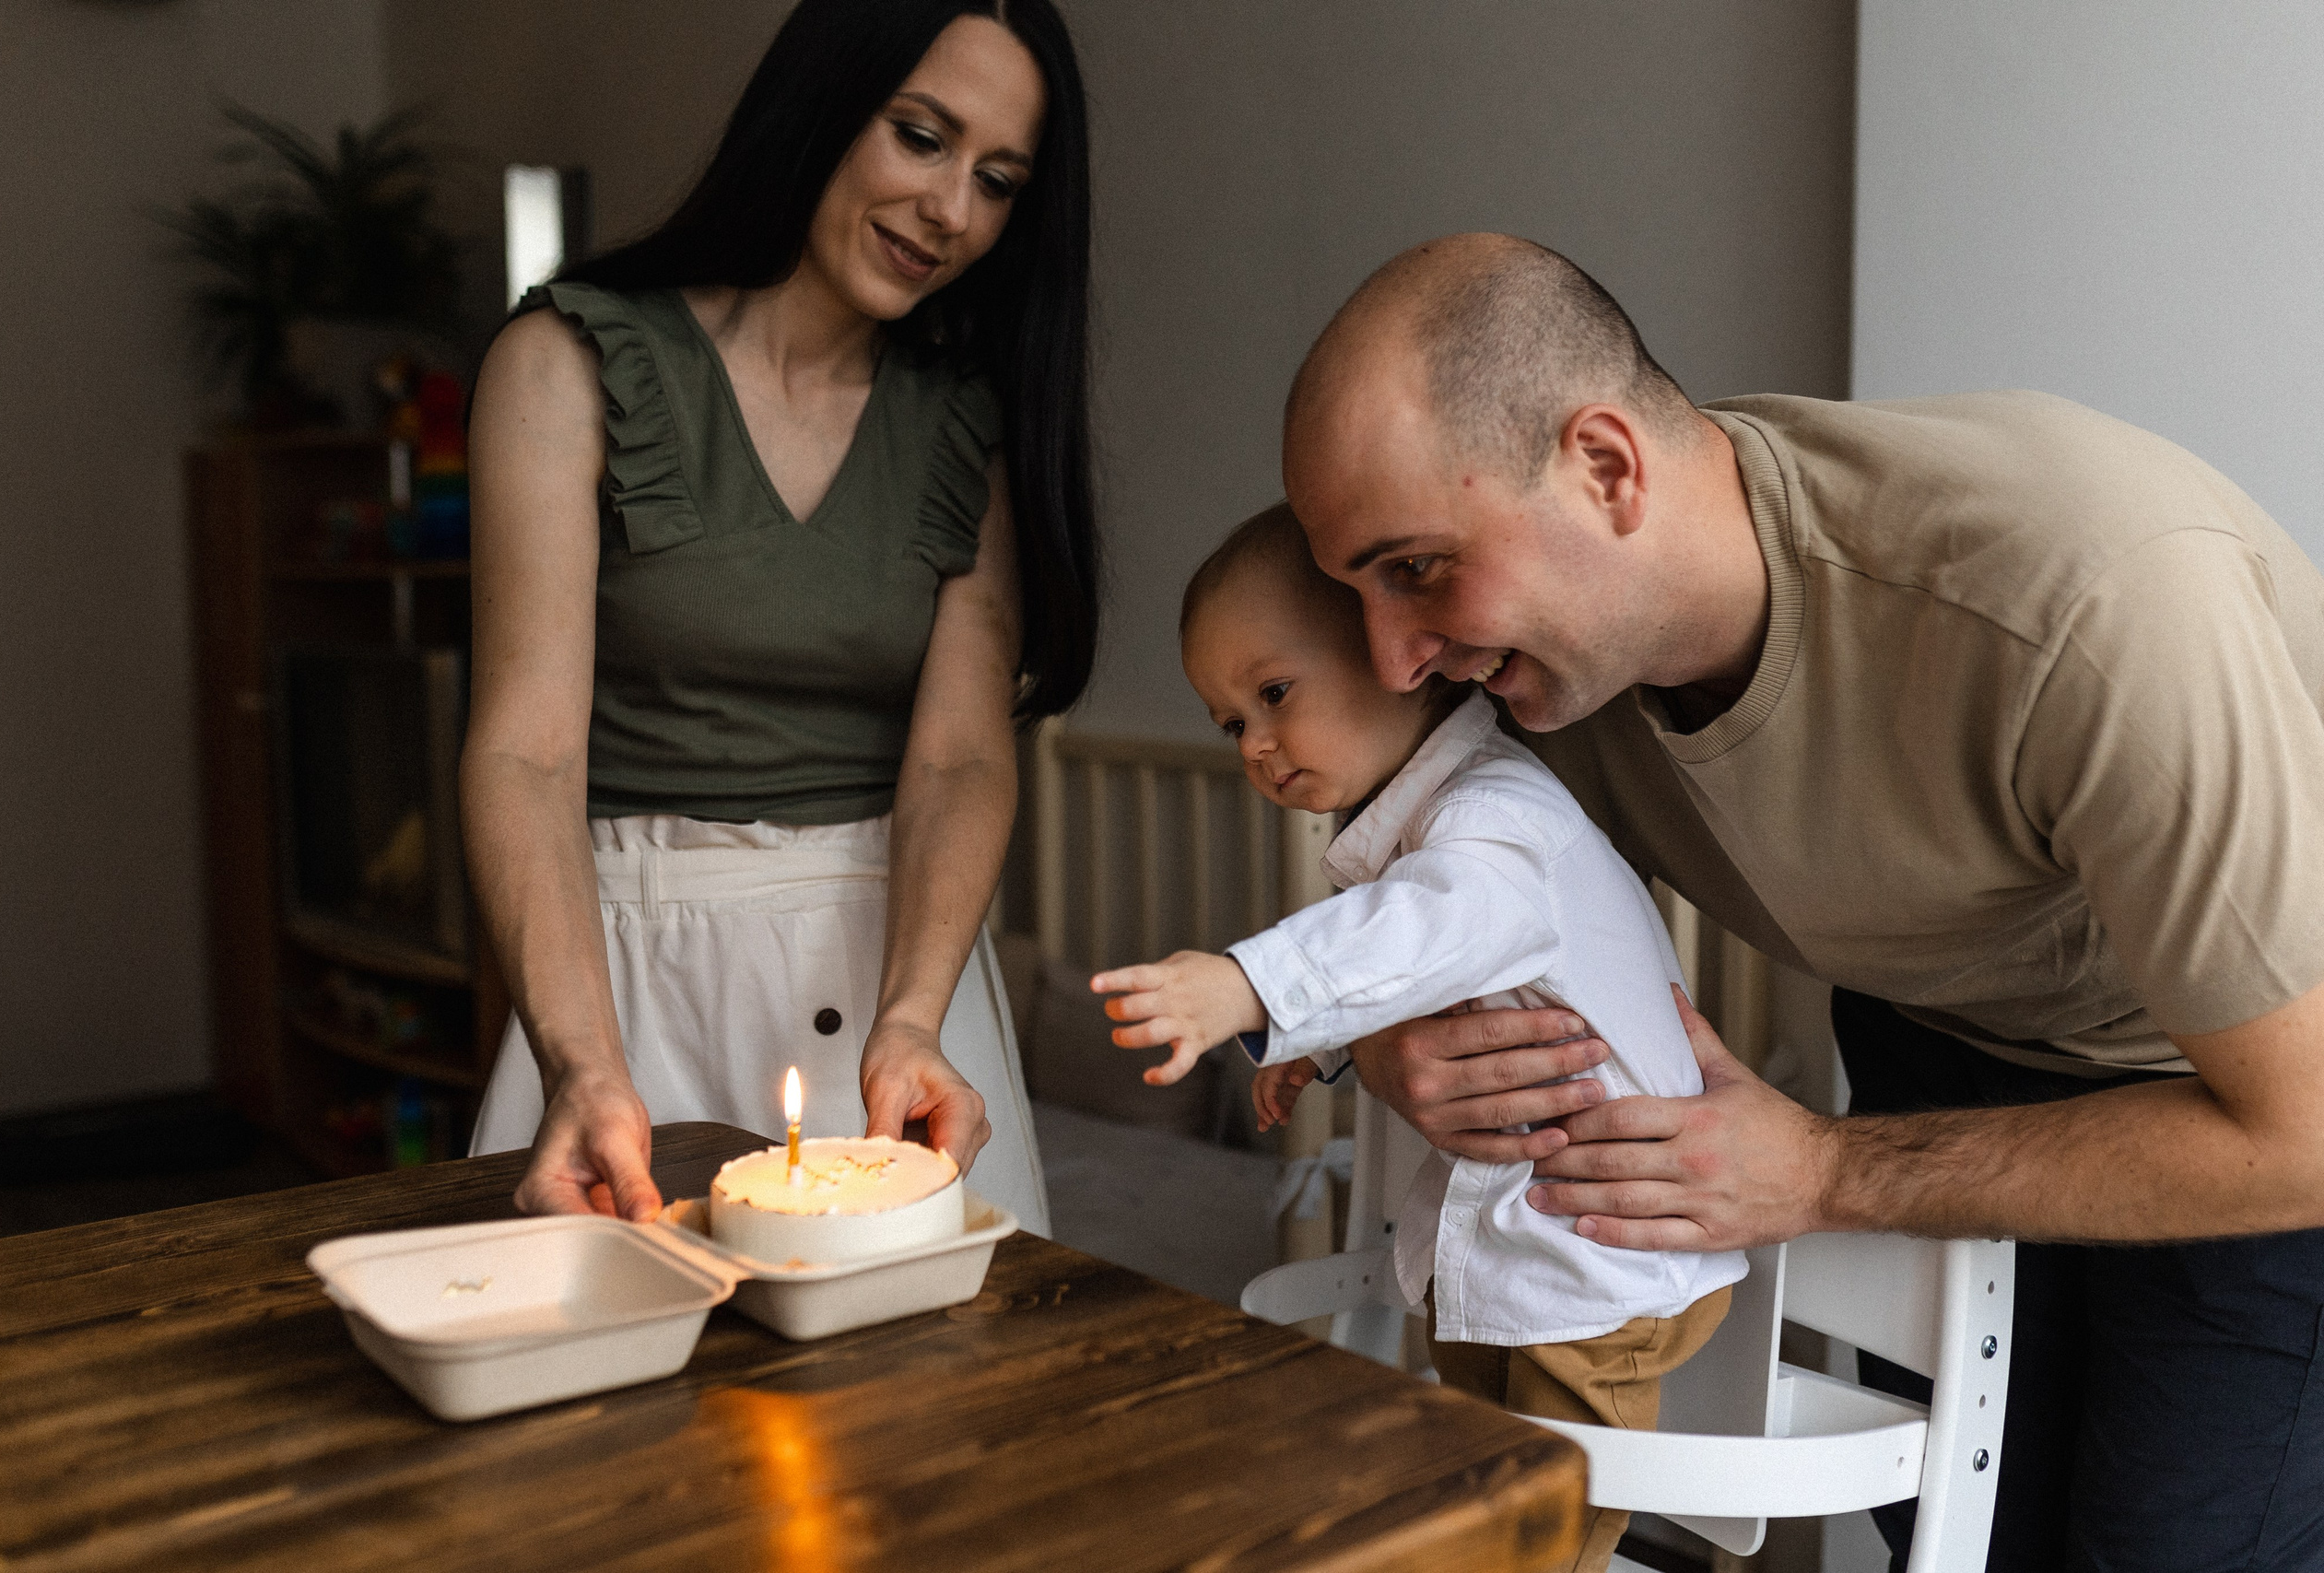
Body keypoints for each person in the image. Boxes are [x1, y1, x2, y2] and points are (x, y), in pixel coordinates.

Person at [1275, 231, 2324, 1570]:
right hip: (1937, 1029)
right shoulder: (1528, 674)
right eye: (1352, 586)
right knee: (1962, 1535)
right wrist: (1390, 1043)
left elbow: (2304, 1125)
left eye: (1416, 566)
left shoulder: (2086, 606)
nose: (1389, 654)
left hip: (2250, 1089)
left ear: (1605, 468)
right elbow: (1442, 922)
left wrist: (1828, 1168)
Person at [462, 0, 1099, 1237]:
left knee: (931, 1413)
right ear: (820, 101)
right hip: (631, 976)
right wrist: (582, 1058)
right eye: (921, 137)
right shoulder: (566, 362)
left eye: (999, 179)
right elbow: (526, 748)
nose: (953, 211)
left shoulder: (968, 414)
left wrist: (911, 1015)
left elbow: (964, 753)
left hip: (898, 995)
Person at [1090, 503, 1744, 1573]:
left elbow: (1451, 922)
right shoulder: (1427, 831)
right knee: (1479, 1468)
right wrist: (1328, 1040)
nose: (1254, 745)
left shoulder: (1494, 816)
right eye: (1228, 722)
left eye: (1273, 694)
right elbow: (1444, 970)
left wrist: (1253, 985)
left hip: (1595, 1254)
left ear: (1397, 661)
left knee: (1549, 1513)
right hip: (1520, 1253)